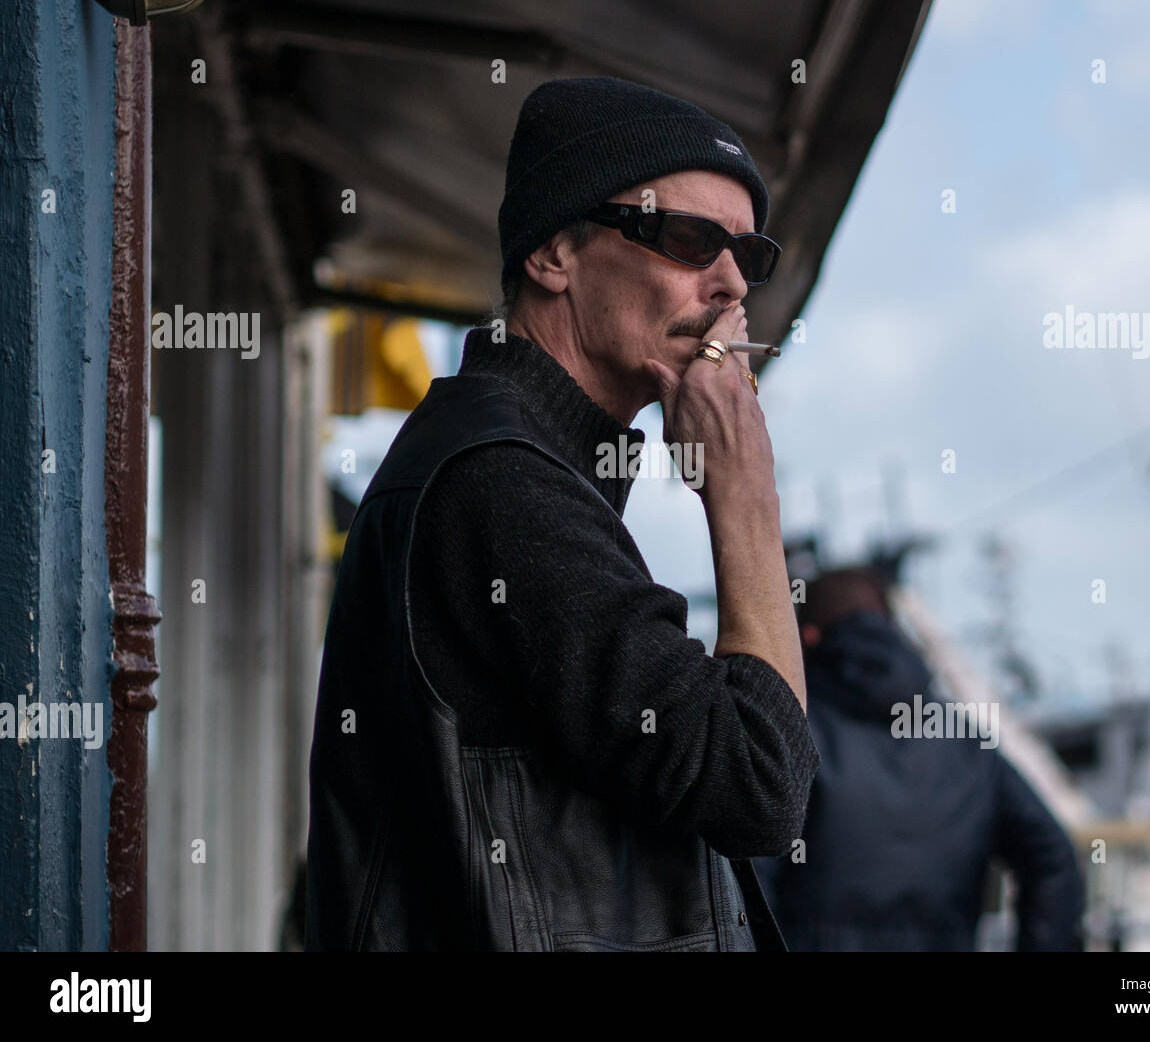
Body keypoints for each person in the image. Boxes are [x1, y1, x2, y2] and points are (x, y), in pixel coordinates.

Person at [304, 76, 819, 951]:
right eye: (692, 239)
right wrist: (745, 496)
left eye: (749, 255)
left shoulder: (514, 464)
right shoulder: (499, 479)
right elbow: (758, 783)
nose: (733, 283)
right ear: (554, 255)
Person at [755, 566, 1084, 951]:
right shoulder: (965, 742)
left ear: (808, 638)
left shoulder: (791, 732)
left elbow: (749, 873)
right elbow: (1053, 857)